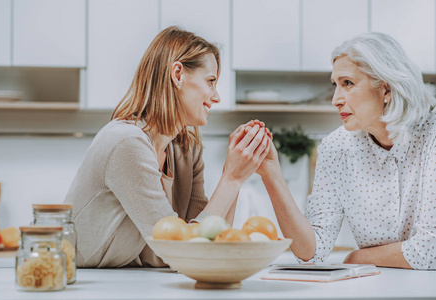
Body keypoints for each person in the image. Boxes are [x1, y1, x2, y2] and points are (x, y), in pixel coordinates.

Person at [64, 26, 271, 268]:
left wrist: (238, 172)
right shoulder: (127, 144)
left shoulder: (186, 149)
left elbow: (209, 240)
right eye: (211, 81)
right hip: (74, 278)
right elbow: (181, 252)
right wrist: (232, 178)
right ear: (178, 74)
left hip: (127, 278)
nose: (216, 97)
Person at [253, 32, 436, 270]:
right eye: (335, 85)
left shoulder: (431, 136)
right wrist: (272, 176)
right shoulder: (335, 148)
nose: (335, 100)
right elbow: (311, 254)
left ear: (386, 89)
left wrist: (356, 258)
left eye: (348, 83)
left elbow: (430, 250)